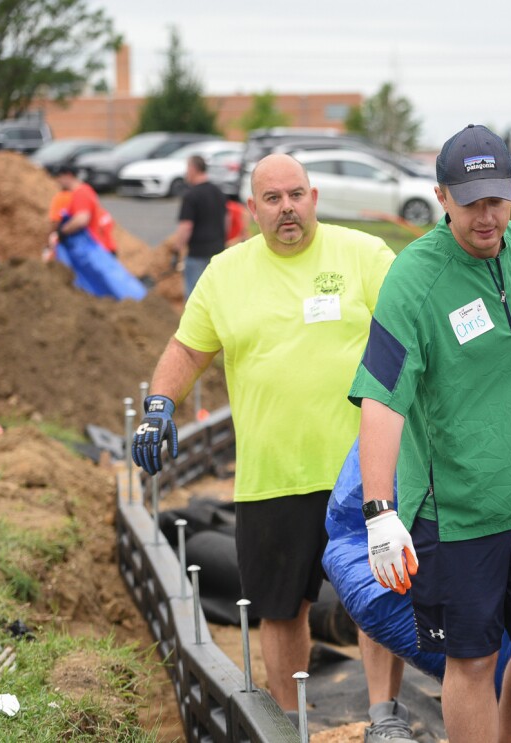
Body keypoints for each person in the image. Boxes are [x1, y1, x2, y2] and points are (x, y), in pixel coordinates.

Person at [131, 153, 416, 743]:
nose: (287, 207)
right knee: (280, 606)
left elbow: (416, 329)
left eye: (296, 195)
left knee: (378, 590)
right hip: (272, 474)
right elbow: (187, 350)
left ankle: (386, 718)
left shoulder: (363, 256)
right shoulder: (226, 273)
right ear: (252, 207)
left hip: (364, 469)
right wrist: (159, 405)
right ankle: (289, 725)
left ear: (313, 197)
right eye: (272, 198)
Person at [349, 124, 511, 743]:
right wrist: (379, 513)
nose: (486, 215)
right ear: (441, 195)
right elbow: (382, 400)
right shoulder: (415, 280)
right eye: (470, 200)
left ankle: (501, 735)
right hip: (457, 511)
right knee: (471, 662)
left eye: (497, 199)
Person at [172, 155, 227, 297]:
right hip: (219, 251)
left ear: (193, 169)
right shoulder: (218, 192)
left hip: (197, 254)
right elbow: (228, 218)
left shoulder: (191, 195)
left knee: (194, 297)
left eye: (187, 168)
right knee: (215, 295)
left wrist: (177, 250)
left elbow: (186, 226)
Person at [53, 164, 117, 252]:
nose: (57, 181)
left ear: (68, 175)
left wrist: (62, 232)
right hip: (99, 248)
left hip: (98, 249)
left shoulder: (81, 193)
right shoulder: (84, 190)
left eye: (59, 177)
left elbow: (81, 219)